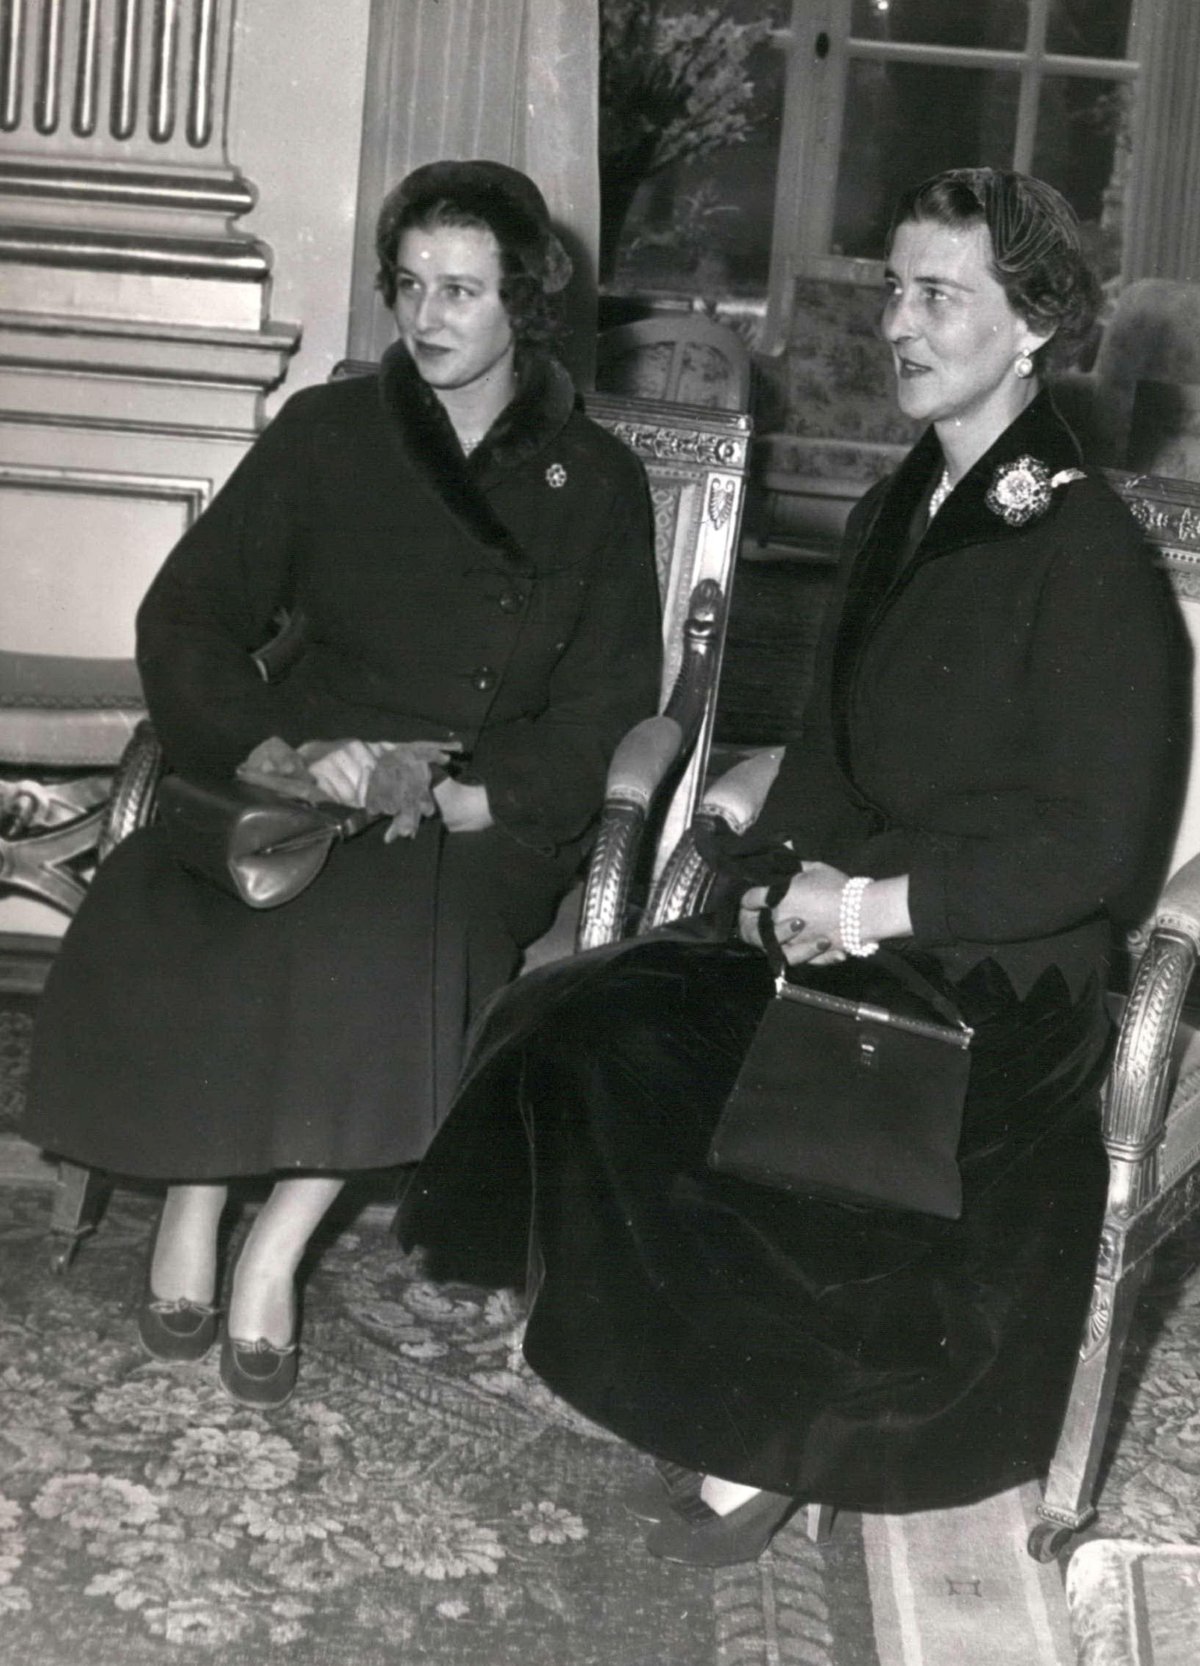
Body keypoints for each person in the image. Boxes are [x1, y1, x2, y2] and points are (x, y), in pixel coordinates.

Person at [397, 169, 1184, 1564]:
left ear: (1037, 325)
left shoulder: (1088, 552)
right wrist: (773, 878)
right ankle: (693, 1368)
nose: (899, 323)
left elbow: (1101, 850)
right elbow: (826, 747)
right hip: (869, 914)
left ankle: (777, 1437)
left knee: (785, 1086)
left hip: (1007, 976)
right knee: (583, 1013)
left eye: (941, 295)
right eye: (895, 287)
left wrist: (870, 907)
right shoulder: (900, 504)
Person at [22, 160, 661, 1409]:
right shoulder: (329, 434)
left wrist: (496, 797)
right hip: (302, 770)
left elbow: (608, 699)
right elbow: (190, 616)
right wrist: (280, 750)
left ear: (526, 303)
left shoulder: (595, 483)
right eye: (411, 286)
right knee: (203, 897)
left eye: (463, 291)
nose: (427, 318)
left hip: (477, 806)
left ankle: (279, 1240)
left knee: (382, 928)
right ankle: (196, 1200)